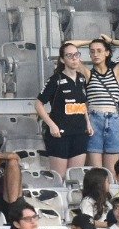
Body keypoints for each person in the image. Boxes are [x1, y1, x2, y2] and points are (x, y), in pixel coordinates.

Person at [36, 43, 92, 179]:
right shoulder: (55, 79)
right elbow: (38, 104)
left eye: (76, 55)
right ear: (62, 59)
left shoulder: (81, 78)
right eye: (69, 55)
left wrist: (88, 123)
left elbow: (82, 103)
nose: (74, 58)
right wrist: (51, 125)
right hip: (60, 135)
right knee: (59, 176)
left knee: (75, 176)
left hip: (79, 133)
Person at [81, 36, 119, 172]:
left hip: (113, 119)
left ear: (107, 52)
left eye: (99, 50)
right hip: (94, 119)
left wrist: (111, 41)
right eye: (92, 51)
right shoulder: (88, 73)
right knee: (96, 170)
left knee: (112, 171)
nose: (95, 54)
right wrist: (88, 41)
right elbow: (67, 46)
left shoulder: (116, 72)